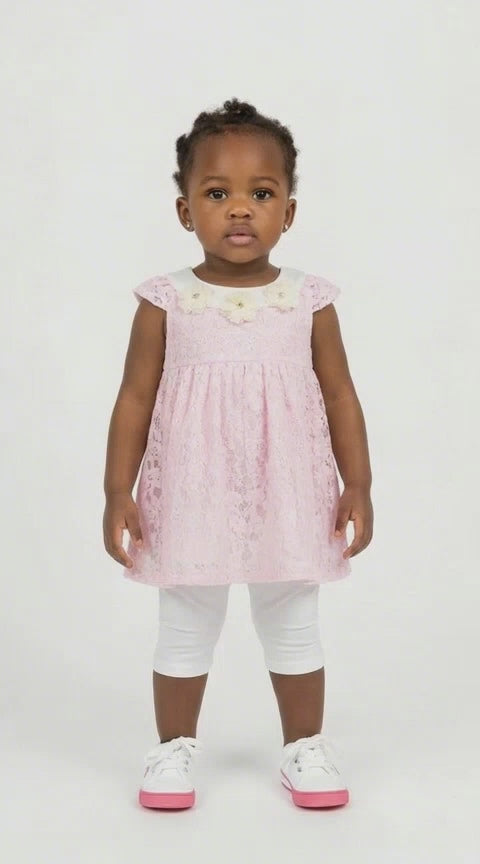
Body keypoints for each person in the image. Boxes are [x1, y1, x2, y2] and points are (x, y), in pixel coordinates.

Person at [102, 98, 374, 811]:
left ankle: (304, 748)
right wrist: (117, 492)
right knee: (187, 616)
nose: (240, 209)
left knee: (292, 614)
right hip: (191, 488)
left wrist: (359, 484)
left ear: (289, 209)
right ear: (185, 210)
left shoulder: (309, 301)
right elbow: (134, 398)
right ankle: (173, 749)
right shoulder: (165, 301)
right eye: (217, 194)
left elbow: (341, 394)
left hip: (287, 489)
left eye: (261, 193)